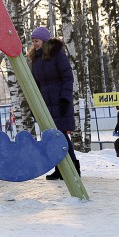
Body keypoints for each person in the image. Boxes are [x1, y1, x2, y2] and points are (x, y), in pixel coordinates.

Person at [27, 26, 80, 180]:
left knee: (61, 135)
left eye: (36, 41)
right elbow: (36, 83)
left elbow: (67, 77)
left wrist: (65, 99)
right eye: (32, 41)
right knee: (51, 136)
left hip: (59, 101)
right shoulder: (35, 59)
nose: (34, 44)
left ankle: (74, 168)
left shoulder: (57, 55)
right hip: (46, 102)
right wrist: (34, 105)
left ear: (44, 40)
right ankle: (60, 169)